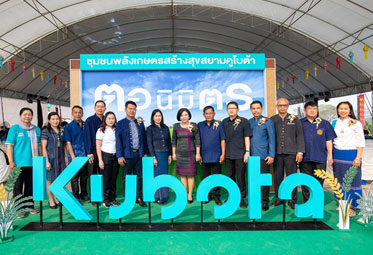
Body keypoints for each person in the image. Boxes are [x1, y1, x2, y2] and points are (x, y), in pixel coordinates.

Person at [6, 107, 41, 218]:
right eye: (25, 114)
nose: (27, 116)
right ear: (20, 116)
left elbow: (39, 147)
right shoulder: (14, 129)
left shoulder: (36, 129)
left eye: (29, 114)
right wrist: (11, 161)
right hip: (18, 164)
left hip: (33, 163)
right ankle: (19, 209)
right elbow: (9, 147)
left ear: (32, 116)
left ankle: (29, 207)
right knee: (17, 187)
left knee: (30, 187)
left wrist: (40, 161)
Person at [271, 98, 305, 210]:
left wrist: (299, 152)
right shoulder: (272, 120)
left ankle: (292, 199)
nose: (282, 107)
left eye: (284, 105)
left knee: (292, 177)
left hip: (291, 153)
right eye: (280, 105)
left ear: (288, 106)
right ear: (277, 106)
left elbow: (300, 135)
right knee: (277, 177)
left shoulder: (295, 119)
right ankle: (279, 198)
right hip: (277, 153)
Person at [332, 101, 365, 217]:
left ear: (350, 110)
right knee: (340, 181)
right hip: (337, 155)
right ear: (337, 110)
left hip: (351, 155)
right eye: (341, 108)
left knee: (351, 180)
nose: (343, 111)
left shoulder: (355, 123)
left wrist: (358, 157)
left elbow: (360, 141)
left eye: (346, 108)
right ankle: (343, 203)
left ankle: (352, 207)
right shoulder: (334, 122)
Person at [300, 101, 336, 203]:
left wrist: (330, 156)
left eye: (314, 108)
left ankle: (317, 202)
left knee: (319, 181)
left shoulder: (325, 123)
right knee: (306, 180)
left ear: (317, 110)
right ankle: (307, 202)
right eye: (309, 108)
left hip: (320, 157)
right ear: (305, 110)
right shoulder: (300, 123)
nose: (312, 111)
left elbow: (328, 140)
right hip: (305, 158)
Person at [116, 101, 148, 207]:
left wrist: (145, 153)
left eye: (134, 109)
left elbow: (144, 139)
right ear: (125, 110)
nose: (132, 110)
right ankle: (128, 198)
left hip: (139, 154)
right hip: (126, 155)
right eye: (130, 108)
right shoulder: (120, 124)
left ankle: (139, 197)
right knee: (126, 177)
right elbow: (118, 141)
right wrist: (119, 156)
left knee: (139, 176)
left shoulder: (140, 123)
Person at [223, 101, 252, 208]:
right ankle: (231, 197)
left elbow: (246, 137)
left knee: (240, 177)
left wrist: (247, 152)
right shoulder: (224, 122)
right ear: (227, 110)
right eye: (229, 108)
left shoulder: (244, 121)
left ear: (237, 109)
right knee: (230, 177)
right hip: (228, 155)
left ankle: (241, 198)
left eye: (233, 108)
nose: (231, 110)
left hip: (240, 154)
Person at [248, 101, 275, 211]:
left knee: (263, 180)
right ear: (251, 110)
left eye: (258, 108)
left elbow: (272, 139)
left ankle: (265, 201)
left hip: (264, 156)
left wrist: (271, 155)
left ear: (261, 109)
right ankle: (254, 199)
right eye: (253, 108)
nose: (256, 110)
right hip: (251, 156)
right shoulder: (248, 122)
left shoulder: (267, 121)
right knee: (253, 180)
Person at [197, 106, 225, 205]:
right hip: (204, 156)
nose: (209, 115)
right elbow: (198, 141)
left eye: (210, 113)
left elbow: (222, 140)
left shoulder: (219, 124)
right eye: (207, 113)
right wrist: (199, 155)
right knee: (205, 178)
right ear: (203, 115)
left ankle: (217, 197)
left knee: (216, 177)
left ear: (214, 114)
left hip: (217, 155)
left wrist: (223, 154)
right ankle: (206, 196)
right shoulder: (200, 125)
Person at [172, 108, 201, 203]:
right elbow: (174, 141)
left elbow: (198, 140)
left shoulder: (194, 126)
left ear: (189, 115)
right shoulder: (176, 126)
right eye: (181, 115)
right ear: (179, 117)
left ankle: (190, 194)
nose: (183, 117)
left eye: (185, 115)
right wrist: (173, 153)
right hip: (180, 154)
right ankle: (184, 193)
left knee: (191, 175)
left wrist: (197, 153)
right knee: (183, 175)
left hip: (191, 154)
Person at [41, 112, 67, 209]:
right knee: (49, 180)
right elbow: (43, 147)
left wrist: (66, 157)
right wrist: (46, 161)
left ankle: (56, 198)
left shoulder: (61, 130)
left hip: (60, 160)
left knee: (57, 180)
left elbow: (63, 145)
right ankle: (51, 200)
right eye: (53, 119)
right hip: (50, 159)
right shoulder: (45, 131)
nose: (55, 121)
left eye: (57, 119)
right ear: (49, 120)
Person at [62, 106, 88, 202]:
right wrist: (72, 156)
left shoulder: (85, 125)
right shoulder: (68, 127)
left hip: (85, 155)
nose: (78, 114)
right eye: (75, 112)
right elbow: (68, 142)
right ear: (72, 114)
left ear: (82, 113)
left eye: (79, 112)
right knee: (75, 177)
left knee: (84, 176)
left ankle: (84, 194)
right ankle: (76, 195)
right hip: (74, 155)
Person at [146, 109, 172, 205]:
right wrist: (153, 157)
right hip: (156, 155)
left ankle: (165, 196)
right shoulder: (150, 128)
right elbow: (149, 143)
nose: (158, 117)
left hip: (165, 155)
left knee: (164, 175)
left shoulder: (165, 128)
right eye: (156, 116)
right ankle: (157, 196)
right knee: (157, 176)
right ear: (153, 117)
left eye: (159, 115)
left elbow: (169, 142)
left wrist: (169, 155)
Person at [84, 100, 105, 206]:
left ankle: (104, 196)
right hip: (92, 152)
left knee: (103, 175)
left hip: (105, 152)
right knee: (92, 175)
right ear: (94, 108)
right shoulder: (89, 120)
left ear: (105, 108)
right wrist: (89, 152)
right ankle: (94, 198)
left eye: (102, 107)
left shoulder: (107, 120)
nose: (100, 108)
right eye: (98, 106)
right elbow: (87, 137)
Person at [96, 111, 120, 208]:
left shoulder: (117, 129)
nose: (111, 120)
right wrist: (100, 160)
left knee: (113, 179)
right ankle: (106, 200)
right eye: (109, 118)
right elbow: (98, 146)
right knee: (106, 180)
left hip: (116, 157)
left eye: (112, 118)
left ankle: (112, 198)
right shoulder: (101, 130)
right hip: (105, 156)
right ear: (105, 119)